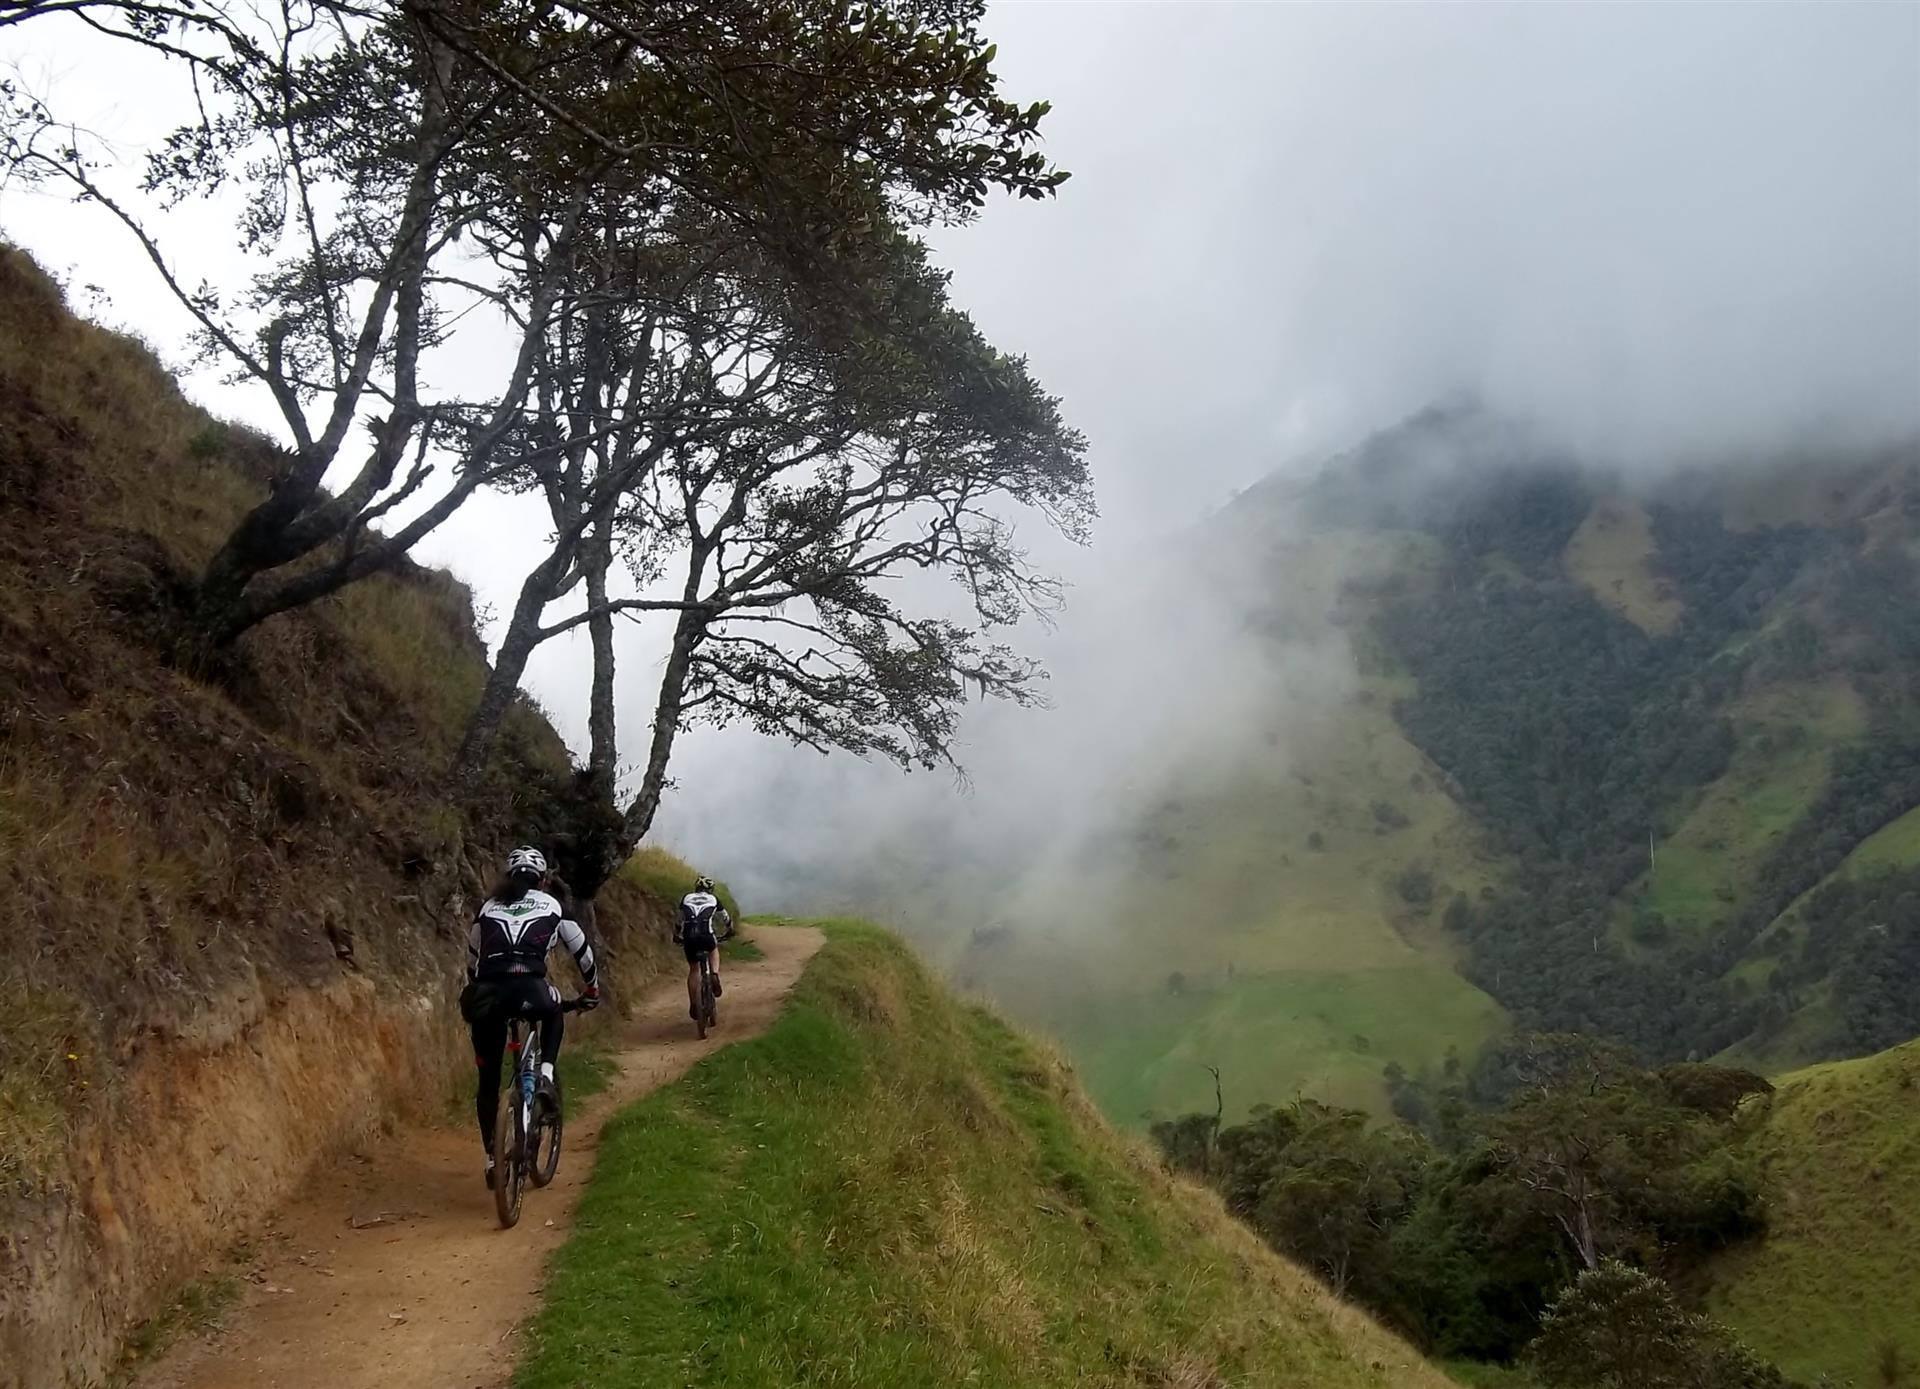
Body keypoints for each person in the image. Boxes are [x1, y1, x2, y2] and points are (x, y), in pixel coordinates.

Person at [461, 845, 600, 1188]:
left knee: (488, 1082)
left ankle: (493, 1158)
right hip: (531, 990)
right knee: (553, 1010)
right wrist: (592, 990)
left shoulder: (487, 907)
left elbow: (472, 959)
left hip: (488, 996)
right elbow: (582, 950)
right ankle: (547, 1074)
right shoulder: (553, 905)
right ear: (542, 879)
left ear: (509, 876)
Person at [675, 875, 733, 1020]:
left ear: (696, 888)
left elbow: (679, 920)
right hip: (706, 935)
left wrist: (676, 935)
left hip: (689, 937)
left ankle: (694, 1003)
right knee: (713, 949)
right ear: (711, 889)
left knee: (694, 969)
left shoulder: (686, 898)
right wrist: (730, 930)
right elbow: (726, 918)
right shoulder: (713, 899)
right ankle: (714, 974)